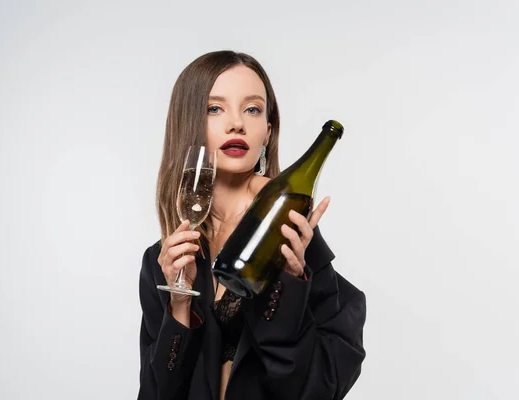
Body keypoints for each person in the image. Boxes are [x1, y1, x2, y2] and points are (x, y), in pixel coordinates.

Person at [137, 50, 366, 400]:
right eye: (215, 108)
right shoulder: (164, 258)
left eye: (252, 109)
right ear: (188, 123)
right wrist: (179, 303)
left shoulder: (289, 230)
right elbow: (159, 392)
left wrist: (291, 282)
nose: (237, 123)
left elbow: (322, 384)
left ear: (267, 132)